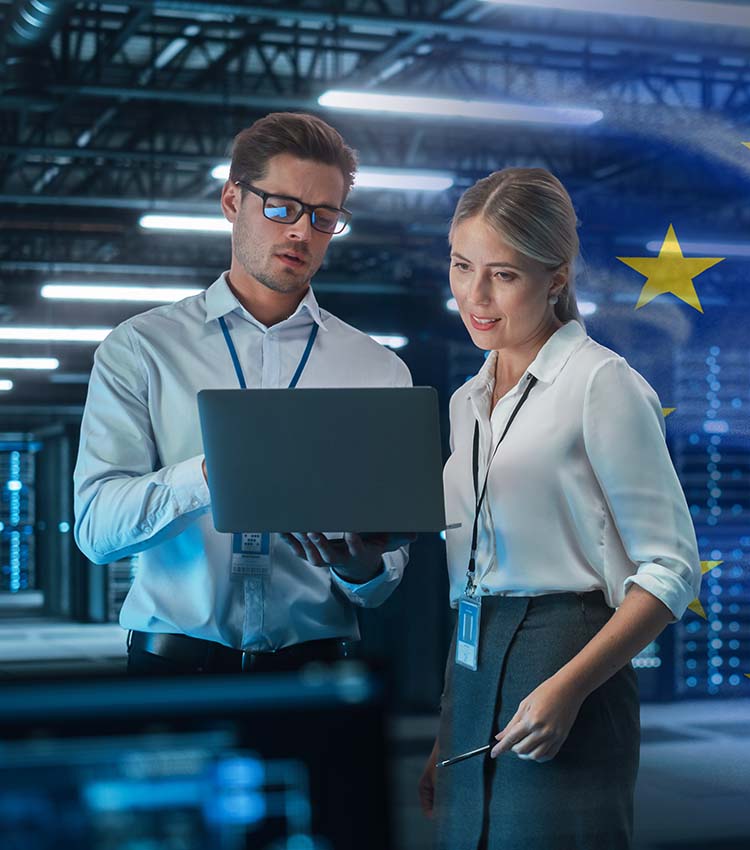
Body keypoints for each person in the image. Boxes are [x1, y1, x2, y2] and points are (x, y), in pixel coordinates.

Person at [419, 167, 701, 849]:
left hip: (571, 658)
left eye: (503, 275)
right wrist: (446, 728)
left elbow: (671, 571)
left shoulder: (600, 384)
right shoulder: (465, 403)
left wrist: (567, 688)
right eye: (462, 266)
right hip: (472, 664)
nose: (475, 296)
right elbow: (472, 581)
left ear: (556, 277)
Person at [73, 112, 413, 674]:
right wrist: (212, 475)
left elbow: (380, 586)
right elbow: (96, 533)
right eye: (281, 208)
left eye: (325, 217)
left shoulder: (377, 370)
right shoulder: (141, 349)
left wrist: (362, 566)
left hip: (317, 676)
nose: (301, 232)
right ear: (232, 200)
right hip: (174, 673)